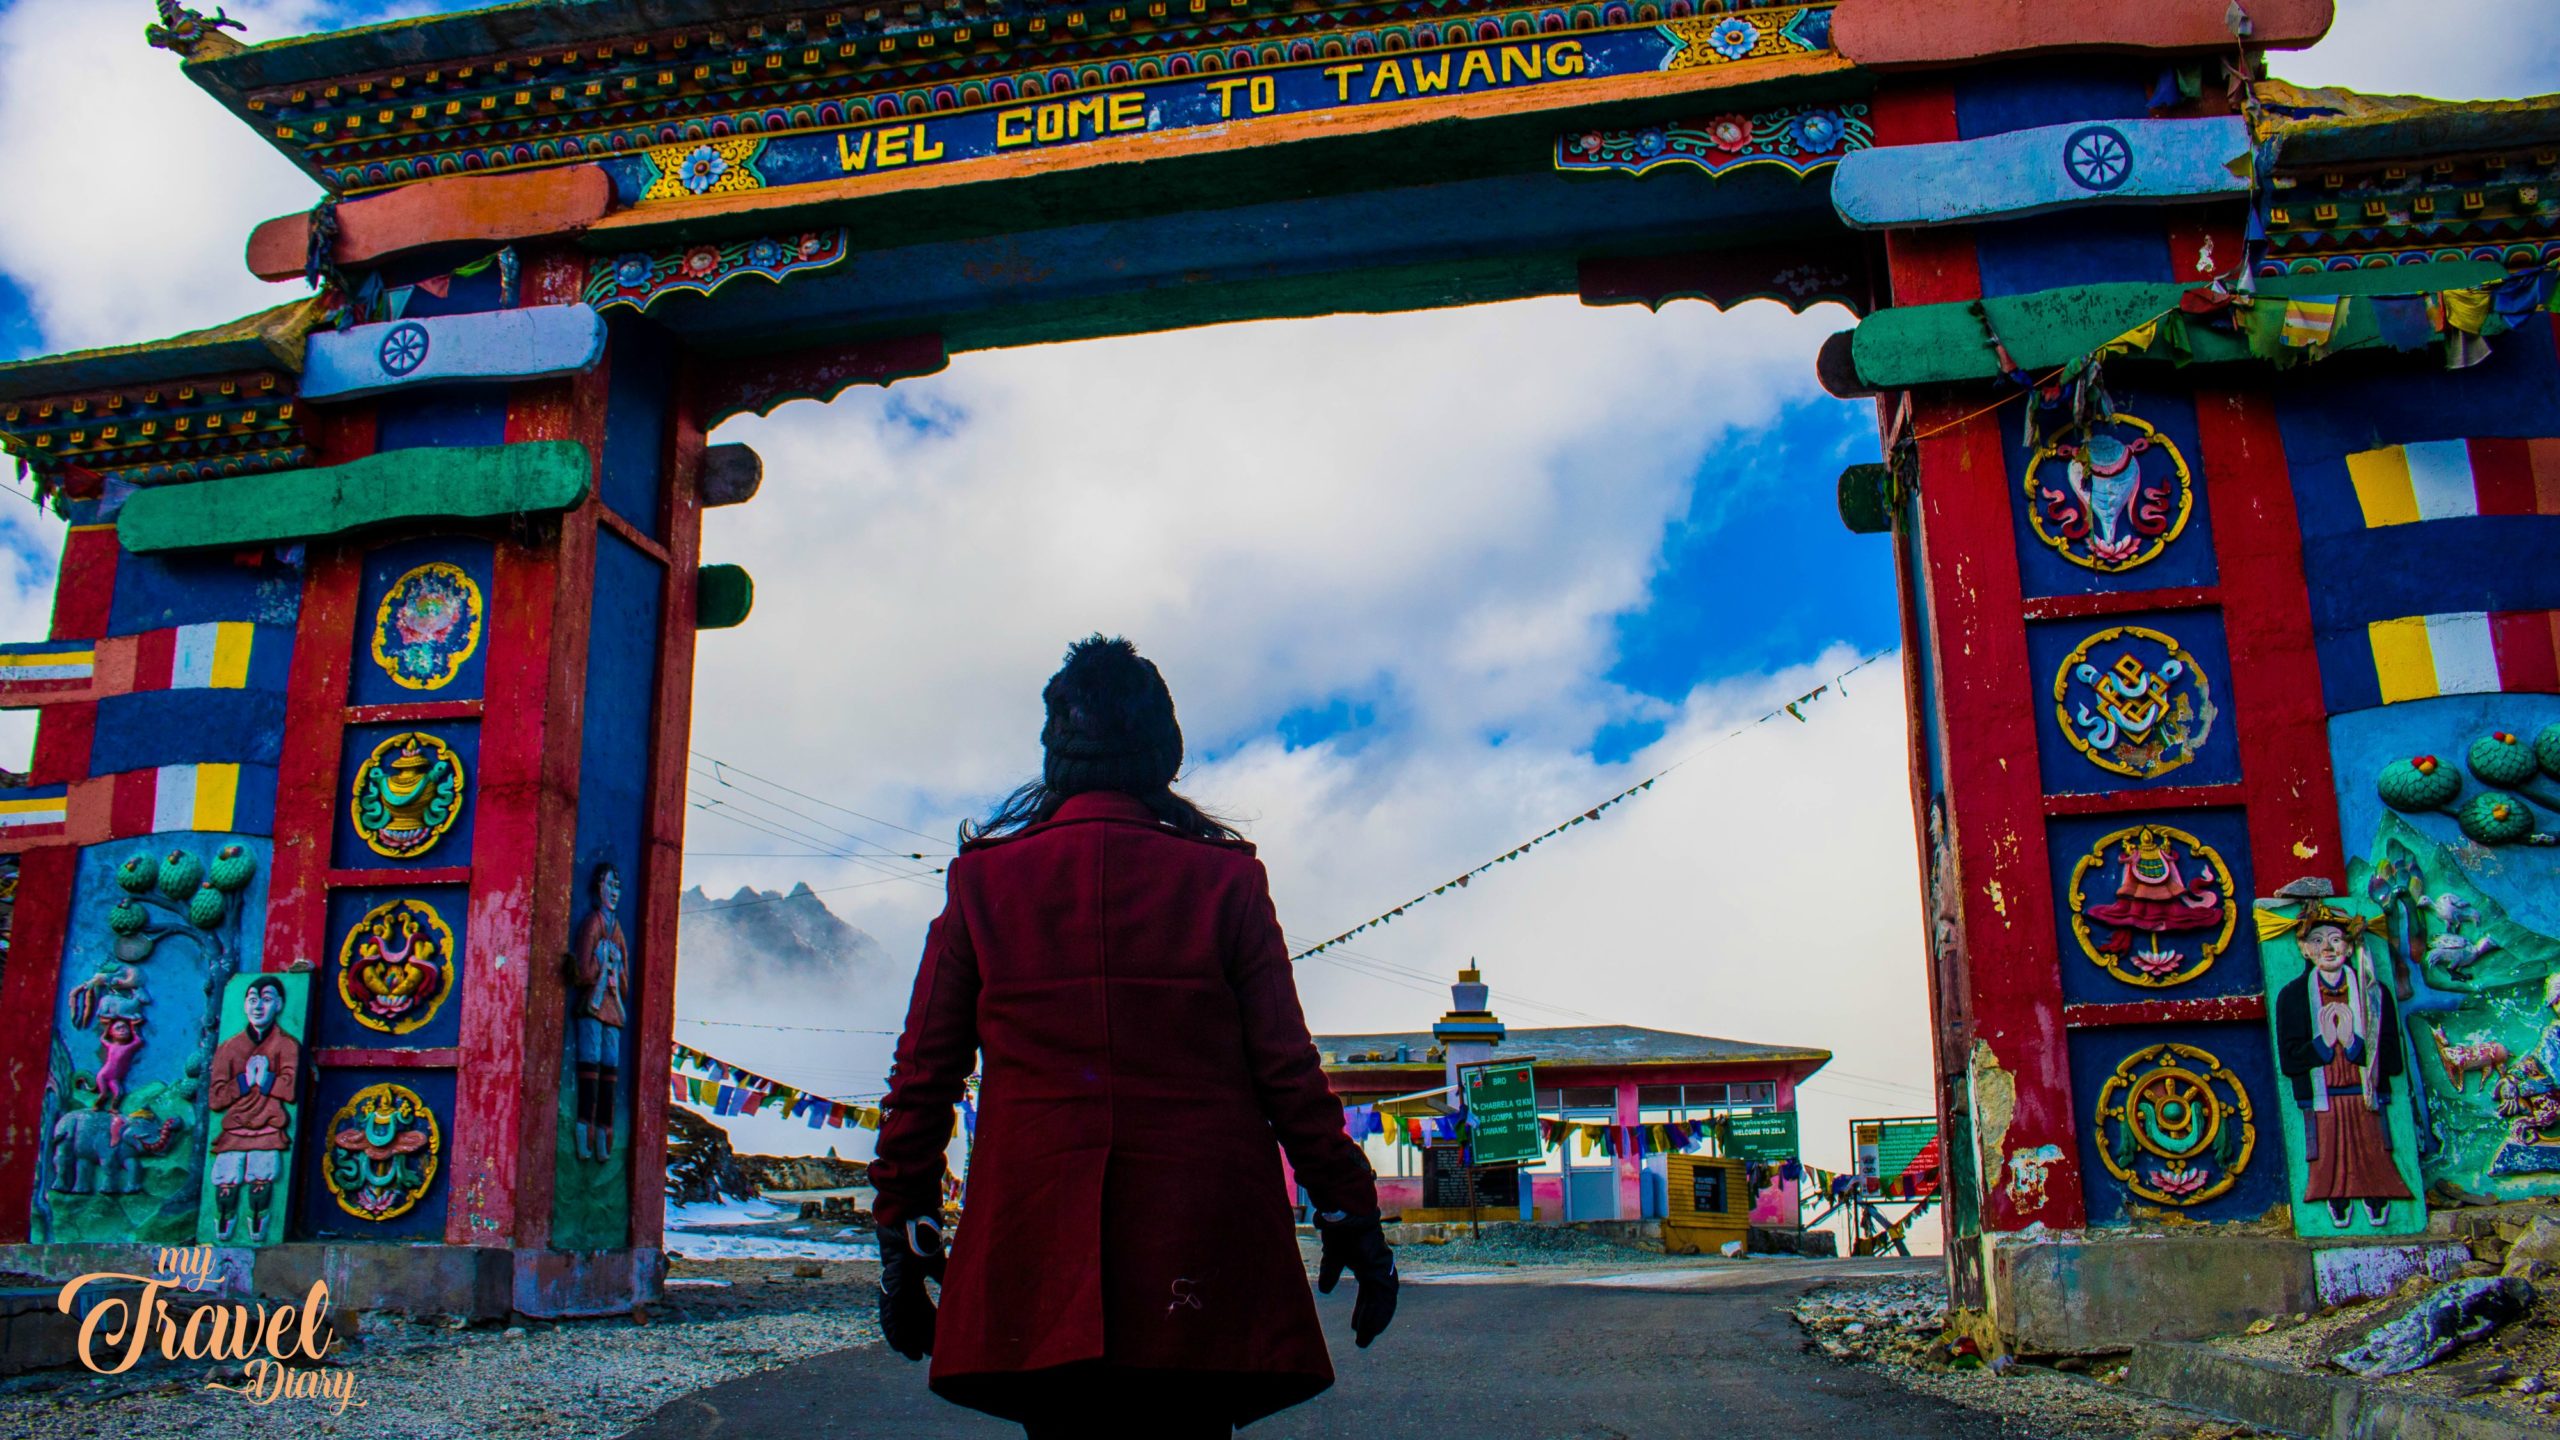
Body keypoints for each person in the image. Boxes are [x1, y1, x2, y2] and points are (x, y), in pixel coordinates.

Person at [871, 636, 1397, 1437]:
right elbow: (1289, 1074)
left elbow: (924, 1078)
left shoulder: (984, 881)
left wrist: (900, 1240)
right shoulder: (1227, 881)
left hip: (1040, 1255)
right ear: (1164, 753)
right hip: (1200, 1257)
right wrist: (1352, 1214)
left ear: (1058, 752)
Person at [2272, 906, 2413, 1226]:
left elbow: (2391, 1058)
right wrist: (2322, 1043)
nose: (2327, 948)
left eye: (2336, 939)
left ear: (2349, 947)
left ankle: (2376, 1195)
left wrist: (2353, 1043)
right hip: (2323, 1096)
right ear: (2304, 949)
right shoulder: (2292, 997)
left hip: (2364, 1092)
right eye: (2317, 940)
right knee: (2327, 1154)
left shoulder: (2374, 993)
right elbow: (2290, 1059)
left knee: (2373, 1148)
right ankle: (2335, 1197)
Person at [207, 975, 297, 1241]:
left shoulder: (286, 1044)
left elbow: (290, 1089)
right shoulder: (230, 1047)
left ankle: (258, 1223)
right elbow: (216, 1099)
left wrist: (266, 1080)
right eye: (253, 999)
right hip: (235, 1125)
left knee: (262, 1180)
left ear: (279, 1005)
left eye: (266, 999)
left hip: (269, 1125)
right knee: (227, 1183)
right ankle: (223, 1222)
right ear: (245, 1004)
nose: (258, 1006)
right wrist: (246, 1081)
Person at [568, 861, 629, 1161]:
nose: (615, 891)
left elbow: (626, 979)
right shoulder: (593, 923)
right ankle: (585, 1132)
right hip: (591, 1005)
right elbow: (582, 972)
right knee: (590, 1068)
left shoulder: (617, 930)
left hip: (613, 1007)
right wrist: (599, 960)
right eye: (610, 885)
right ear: (598, 888)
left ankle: (605, 1133)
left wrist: (616, 966)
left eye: (618, 886)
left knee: (611, 1072)